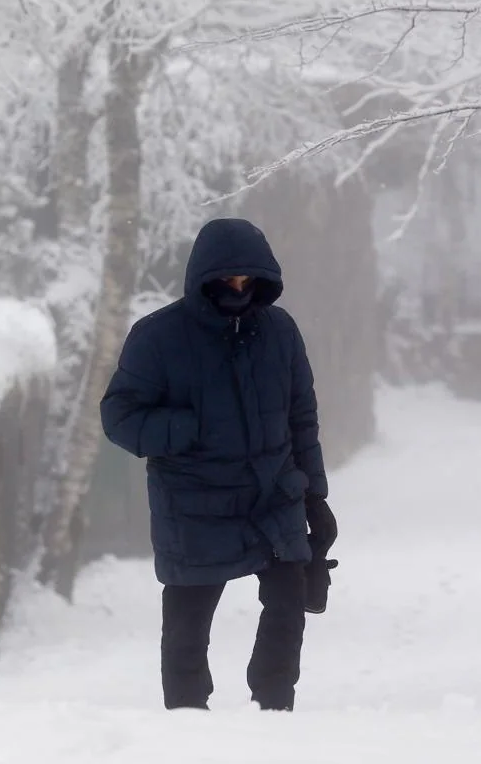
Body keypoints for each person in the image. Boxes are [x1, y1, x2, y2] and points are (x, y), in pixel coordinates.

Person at [100, 216, 339, 712]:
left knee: (289, 605)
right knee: (187, 625)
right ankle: (187, 720)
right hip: (193, 503)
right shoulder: (158, 337)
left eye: (247, 280)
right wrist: (187, 429)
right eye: (227, 280)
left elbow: (301, 419)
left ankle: (275, 707)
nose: (238, 288)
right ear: (201, 278)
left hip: (273, 497)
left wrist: (316, 497)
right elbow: (119, 416)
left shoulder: (279, 331)